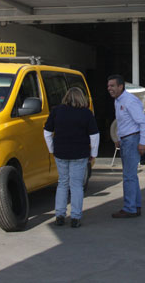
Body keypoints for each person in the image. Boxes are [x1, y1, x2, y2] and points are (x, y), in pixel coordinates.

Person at [44, 87, 100, 228]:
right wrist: (93, 153)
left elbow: (47, 131)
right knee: (76, 185)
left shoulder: (56, 111)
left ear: (66, 97)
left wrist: (52, 149)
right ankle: (75, 217)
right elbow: (94, 135)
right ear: (81, 98)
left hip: (61, 152)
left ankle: (60, 215)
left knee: (62, 183)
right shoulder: (86, 113)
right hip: (79, 153)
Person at [107, 74, 145, 218]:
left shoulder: (129, 101)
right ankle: (135, 206)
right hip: (126, 140)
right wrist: (118, 138)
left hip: (132, 140)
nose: (110, 88)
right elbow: (122, 122)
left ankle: (129, 208)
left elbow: (144, 123)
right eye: (108, 86)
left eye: (112, 86)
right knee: (131, 176)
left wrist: (142, 142)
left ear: (121, 86)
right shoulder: (118, 101)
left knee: (128, 176)